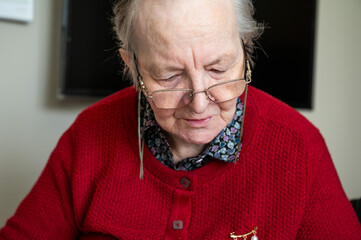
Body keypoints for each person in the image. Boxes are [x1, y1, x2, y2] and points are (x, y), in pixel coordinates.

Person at [1, 0, 361, 239]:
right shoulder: (90, 135)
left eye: (219, 68)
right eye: (170, 76)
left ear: (246, 51)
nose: (200, 102)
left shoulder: (298, 147)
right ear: (133, 66)